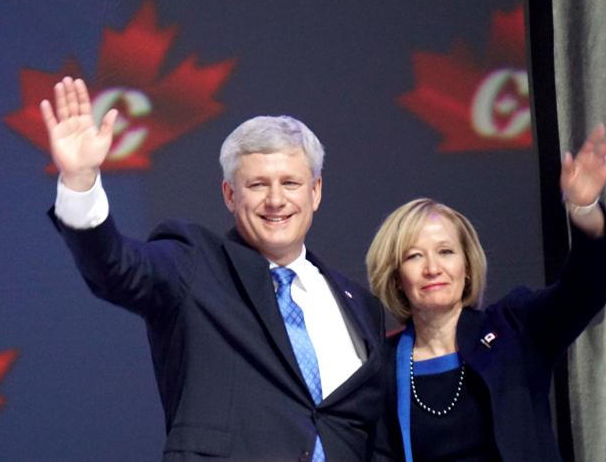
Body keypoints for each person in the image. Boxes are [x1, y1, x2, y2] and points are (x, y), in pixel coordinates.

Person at [41, 77, 390, 462]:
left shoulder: (360, 306)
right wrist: (80, 181)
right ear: (229, 195)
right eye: (257, 184)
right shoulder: (193, 265)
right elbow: (117, 268)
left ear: (316, 191)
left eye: (290, 182)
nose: (276, 200)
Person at [366, 125, 606, 462]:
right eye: (414, 256)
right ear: (396, 277)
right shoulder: (381, 365)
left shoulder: (516, 329)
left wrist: (584, 209)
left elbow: (586, 289)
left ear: (468, 266)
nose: (433, 268)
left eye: (446, 252)